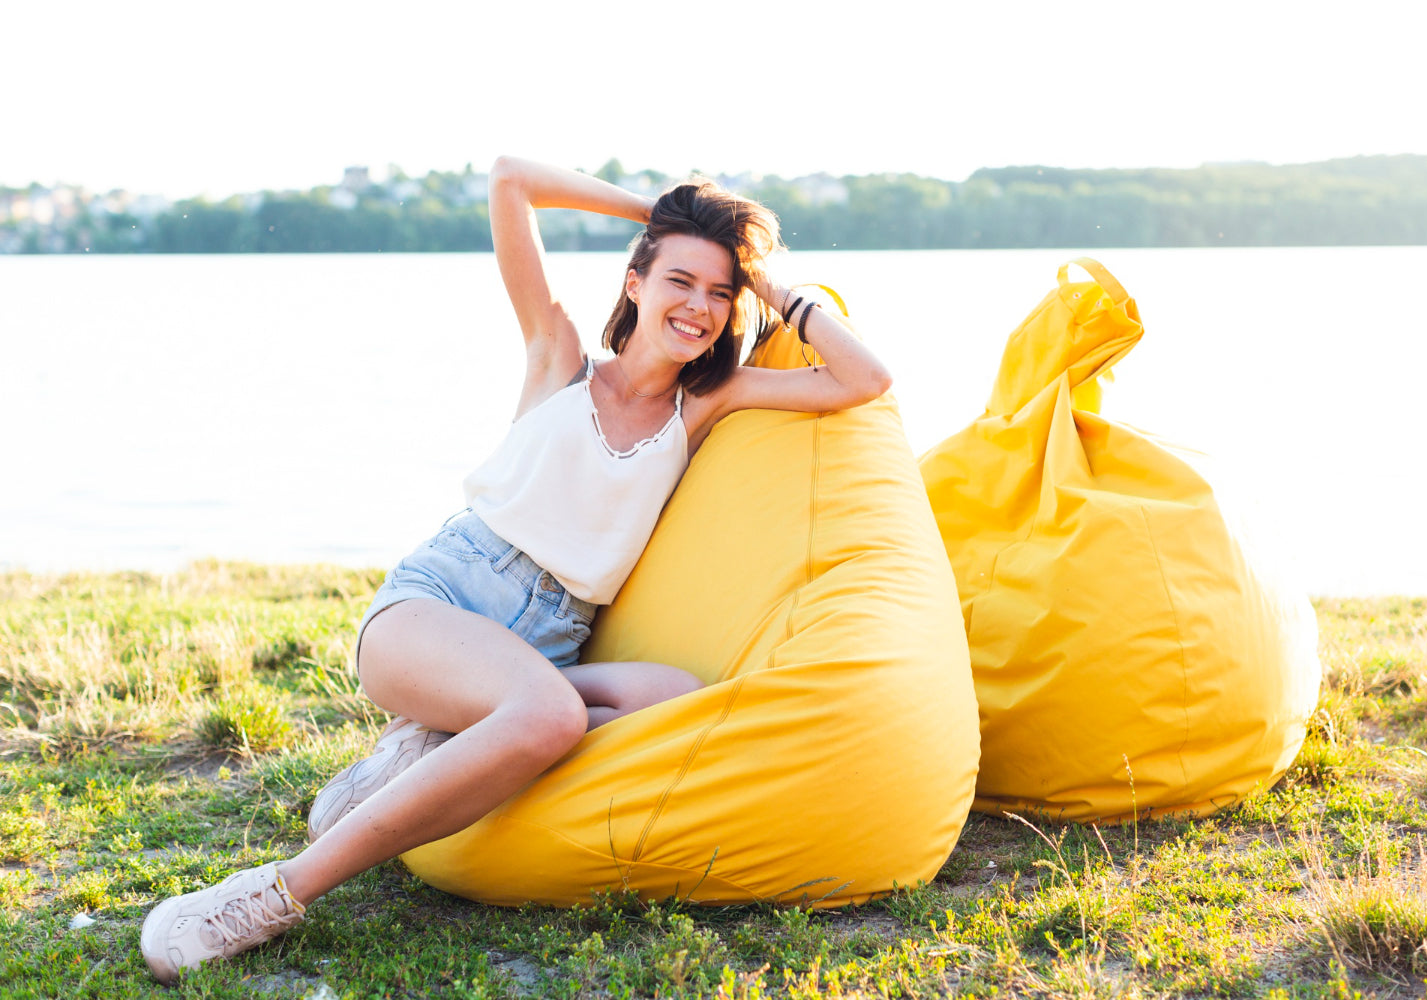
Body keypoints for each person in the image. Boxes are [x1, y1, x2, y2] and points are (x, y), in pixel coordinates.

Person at [138, 156, 892, 984]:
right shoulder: (558, 355)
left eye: (721, 293)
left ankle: (429, 753)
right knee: (549, 721)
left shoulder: (707, 403)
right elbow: (511, 180)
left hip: (553, 639)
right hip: (444, 597)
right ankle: (273, 894)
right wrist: (665, 210)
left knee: (677, 703)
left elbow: (866, 379)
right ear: (635, 280)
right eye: (681, 279)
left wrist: (772, 283)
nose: (701, 307)